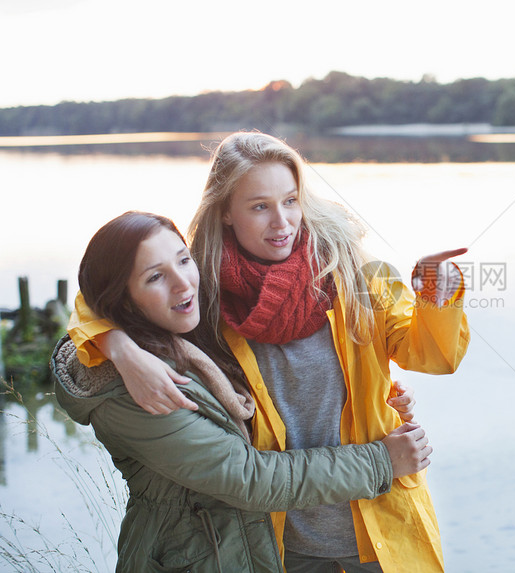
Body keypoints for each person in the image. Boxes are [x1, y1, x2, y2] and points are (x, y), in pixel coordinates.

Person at [68, 132, 471, 572]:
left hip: (381, 528)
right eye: (260, 206)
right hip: (279, 543)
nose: (282, 222)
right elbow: (97, 295)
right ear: (226, 213)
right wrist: (121, 347)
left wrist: (435, 294)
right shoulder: (202, 293)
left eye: (291, 200)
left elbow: (434, 357)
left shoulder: (356, 277)